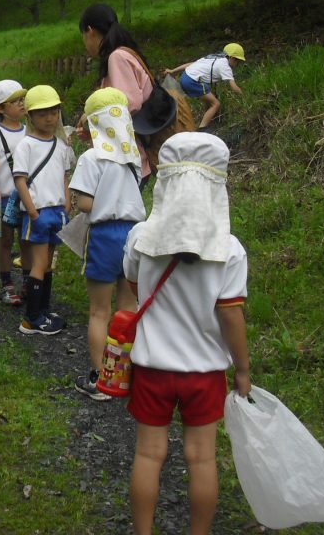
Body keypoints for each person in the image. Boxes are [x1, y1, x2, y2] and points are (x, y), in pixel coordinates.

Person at [122, 132, 251, 535]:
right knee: (201, 459)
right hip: (205, 372)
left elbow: (133, 288)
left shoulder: (141, 237)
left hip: (152, 368)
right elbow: (231, 317)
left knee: (148, 454)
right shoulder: (229, 249)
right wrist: (243, 370)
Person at [69, 88, 146, 400]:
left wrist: (78, 198)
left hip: (103, 236)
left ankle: (102, 378)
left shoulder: (90, 158)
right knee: (128, 308)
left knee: (99, 312)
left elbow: (86, 204)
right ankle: (127, 373)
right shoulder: (132, 155)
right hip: (134, 234)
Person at [12, 85, 75, 336]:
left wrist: (67, 204)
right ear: (30, 116)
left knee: (48, 263)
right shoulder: (26, 145)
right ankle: (31, 318)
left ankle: (43, 311)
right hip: (37, 211)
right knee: (38, 263)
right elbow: (20, 180)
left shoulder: (61, 145)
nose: (49, 117)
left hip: (57, 210)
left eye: (53, 111)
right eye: (42, 113)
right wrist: (33, 212)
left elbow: (65, 177)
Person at [78, 3, 155, 187]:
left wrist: (92, 117)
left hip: (130, 158)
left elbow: (128, 104)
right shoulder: (124, 54)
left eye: (83, 36)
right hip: (129, 156)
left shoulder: (117, 57)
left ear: (90, 31)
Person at [0, 79, 28, 306]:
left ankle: (26, 281)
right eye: (15, 102)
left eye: (22, 100)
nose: (21, 105)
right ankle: (6, 283)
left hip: (26, 197)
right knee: (4, 241)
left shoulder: (29, 131)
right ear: (0, 108)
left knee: (25, 241)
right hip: (2, 196)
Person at [163, 44, 246, 130]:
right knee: (216, 104)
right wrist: (244, 97)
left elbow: (191, 64)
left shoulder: (212, 57)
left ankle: (207, 119)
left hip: (185, 77)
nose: (237, 64)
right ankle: (203, 128)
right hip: (192, 81)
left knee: (208, 97)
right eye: (237, 61)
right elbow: (234, 87)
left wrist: (172, 70)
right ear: (232, 58)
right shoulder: (225, 67)